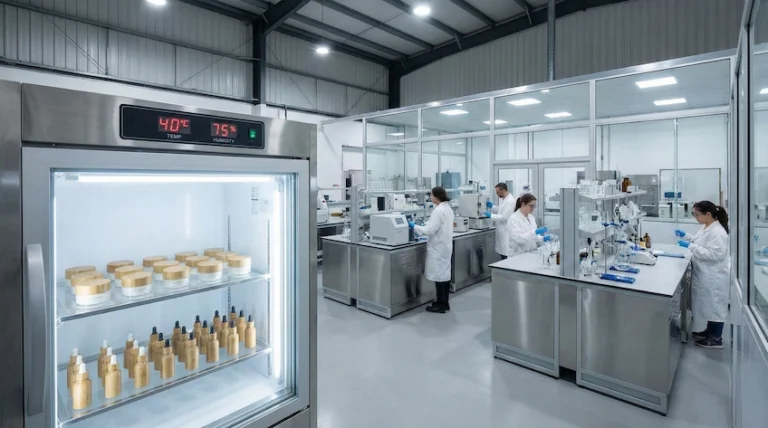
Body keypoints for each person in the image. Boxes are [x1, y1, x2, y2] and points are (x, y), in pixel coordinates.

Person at [675, 201, 730, 349]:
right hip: (706, 273)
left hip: (714, 276)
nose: (695, 217)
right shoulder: (707, 226)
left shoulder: (718, 232)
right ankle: (709, 332)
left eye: (697, 214)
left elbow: (714, 254)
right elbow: (700, 242)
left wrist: (690, 246)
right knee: (709, 305)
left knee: (715, 306)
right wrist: (687, 237)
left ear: (708, 214)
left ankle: (716, 338)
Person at [409, 187, 454, 314]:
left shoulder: (439, 210)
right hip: (445, 246)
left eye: (431, 195)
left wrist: (414, 226)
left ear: (436, 196)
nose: (430, 197)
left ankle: (440, 304)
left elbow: (428, 230)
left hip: (438, 247)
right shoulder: (447, 208)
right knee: (444, 275)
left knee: (439, 276)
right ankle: (445, 302)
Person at [484, 183, 515, 260]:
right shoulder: (504, 199)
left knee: (506, 255)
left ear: (503, 190)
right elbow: (501, 211)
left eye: (498, 192)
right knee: (503, 254)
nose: (497, 194)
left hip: (506, 231)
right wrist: (493, 207)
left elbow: (504, 217)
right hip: (501, 231)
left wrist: (491, 216)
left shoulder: (510, 201)